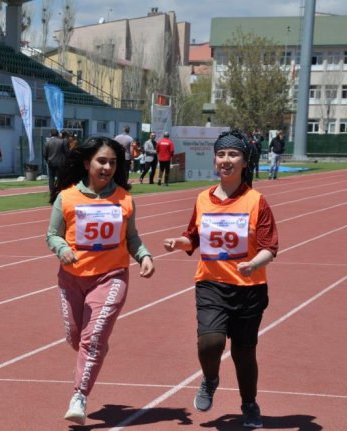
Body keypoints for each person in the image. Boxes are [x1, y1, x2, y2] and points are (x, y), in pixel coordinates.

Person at [163, 131, 278, 429]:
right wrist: (178, 242)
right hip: (211, 284)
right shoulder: (203, 198)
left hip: (250, 288)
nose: (226, 160)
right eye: (222, 154)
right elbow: (193, 237)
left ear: (245, 162)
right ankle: (210, 378)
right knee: (210, 343)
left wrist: (253, 263)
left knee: (243, 352)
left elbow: (270, 247)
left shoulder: (256, 201)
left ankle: (249, 404)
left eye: (233, 155)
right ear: (215, 160)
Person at [46, 136, 155, 425]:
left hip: (111, 277)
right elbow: (52, 235)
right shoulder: (66, 198)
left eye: (112, 163)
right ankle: (95, 349)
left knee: (91, 339)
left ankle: (79, 396)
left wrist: (144, 256)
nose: (107, 167)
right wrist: (62, 249)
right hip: (72, 278)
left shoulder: (124, 199)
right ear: (87, 163)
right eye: (102, 161)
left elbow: (132, 237)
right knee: (75, 337)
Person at [43, 129, 67, 196]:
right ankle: (60, 190)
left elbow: (44, 154)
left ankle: (52, 192)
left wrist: (47, 160)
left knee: (51, 178)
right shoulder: (62, 141)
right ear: (58, 134)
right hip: (61, 162)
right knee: (60, 177)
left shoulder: (47, 143)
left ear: (50, 134)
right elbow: (66, 152)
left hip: (51, 162)